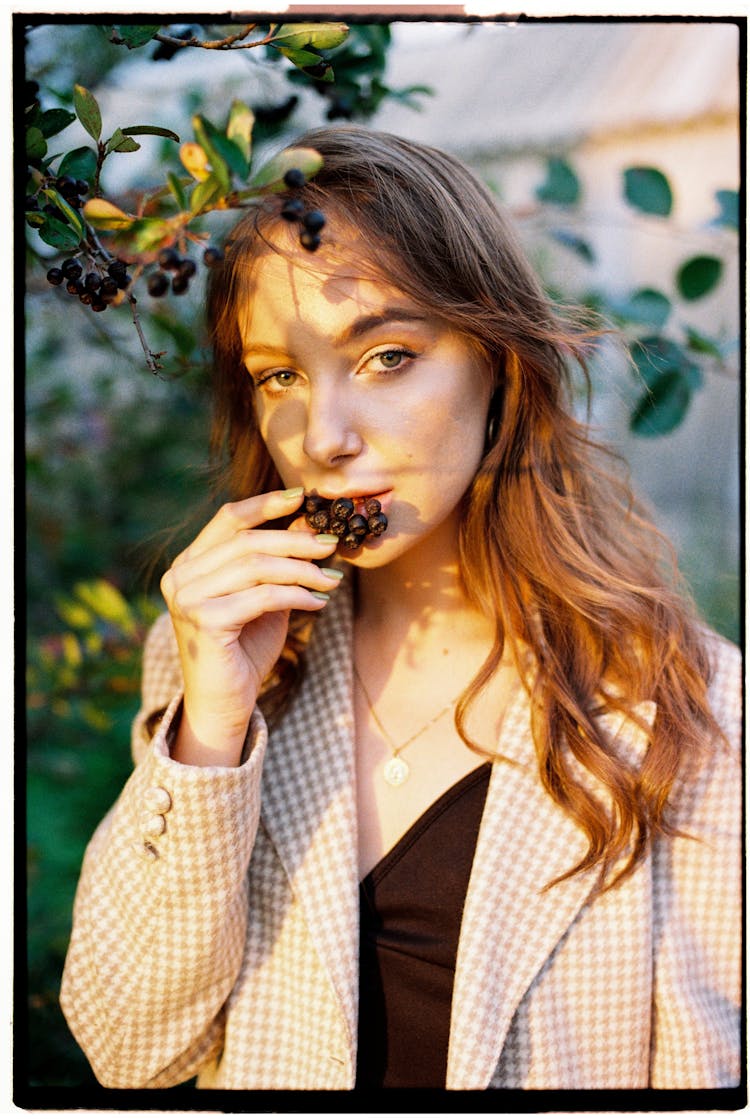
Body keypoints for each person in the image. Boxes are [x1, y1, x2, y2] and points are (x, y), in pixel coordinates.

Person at [60, 125, 741, 1093]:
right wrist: (211, 730)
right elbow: (130, 1049)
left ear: (497, 365)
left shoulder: (690, 702)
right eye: (280, 376)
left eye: (385, 357)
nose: (325, 437)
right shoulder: (221, 674)